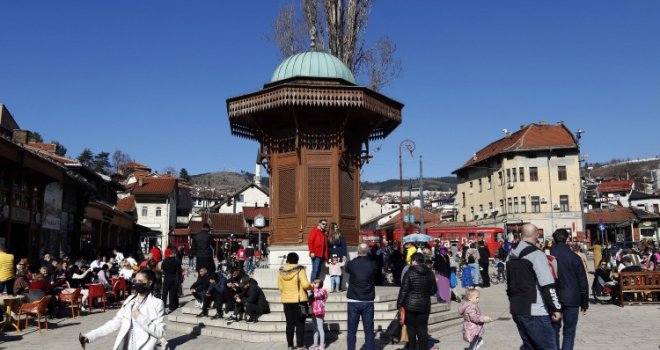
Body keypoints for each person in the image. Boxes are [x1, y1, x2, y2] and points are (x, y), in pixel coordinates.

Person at [80, 269, 166, 350]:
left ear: (149, 283)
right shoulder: (130, 300)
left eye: (140, 281)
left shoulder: (157, 303)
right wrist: (90, 336)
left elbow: (160, 332)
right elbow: (114, 323)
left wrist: (140, 317)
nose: (136, 283)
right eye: (135, 281)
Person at [506, 223, 561, 350]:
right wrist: (556, 307)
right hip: (536, 310)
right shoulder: (537, 254)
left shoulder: (510, 255)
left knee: (529, 346)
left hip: (517, 308)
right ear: (537, 235)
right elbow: (547, 284)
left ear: (521, 235)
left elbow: (508, 285)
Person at [550, 229, 589, 350]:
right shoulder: (574, 257)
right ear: (567, 240)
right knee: (569, 332)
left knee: (553, 330)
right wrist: (584, 302)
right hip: (572, 298)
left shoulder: (548, 256)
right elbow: (583, 281)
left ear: (554, 239)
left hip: (553, 297)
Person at [397, 252, 437, 350]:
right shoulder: (430, 272)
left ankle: (411, 348)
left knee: (411, 329)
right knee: (422, 330)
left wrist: (399, 304)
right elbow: (433, 290)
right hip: (424, 305)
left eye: (411, 261)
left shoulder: (409, 272)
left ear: (414, 261)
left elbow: (404, 290)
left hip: (410, 305)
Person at [346, 243, 378, 350]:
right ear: (368, 251)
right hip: (367, 299)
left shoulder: (352, 264)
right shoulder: (373, 264)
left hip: (353, 300)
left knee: (351, 331)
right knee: (369, 330)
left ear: (358, 251)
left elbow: (347, 269)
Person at [278, 252, 311, 350]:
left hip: (287, 301)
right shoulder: (300, 269)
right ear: (297, 260)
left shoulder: (282, 270)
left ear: (287, 260)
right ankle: (300, 346)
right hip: (299, 301)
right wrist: (312, 287)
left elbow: (280, 287)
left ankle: (290, 346)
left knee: (289, 324)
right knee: (300, 324)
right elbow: (305, 285)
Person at [160, 247, 182, 313]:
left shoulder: (165, 260)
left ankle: (162, 306)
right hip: (173, 278)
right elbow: (178, 271)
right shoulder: (176, 261)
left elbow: (162, 269)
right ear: (175, 253)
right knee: (171, 294)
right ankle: (171, 307)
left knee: (164, 293)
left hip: (166, 278)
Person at [310, 278, 328, 350]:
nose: (313, 284)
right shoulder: (314, 290)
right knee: (314, 328)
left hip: (319, 311)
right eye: (313, 283)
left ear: (318, 284)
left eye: (315, 283)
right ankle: (315, 344)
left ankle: (321, 345)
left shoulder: (323, 290)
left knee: (320, 328)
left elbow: (317, 295)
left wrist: (315, 288)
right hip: (313, 311)